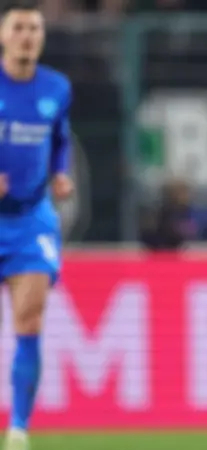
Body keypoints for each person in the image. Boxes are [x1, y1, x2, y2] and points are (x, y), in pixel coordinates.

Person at [0, 1, 74, 449]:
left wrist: (60, 172)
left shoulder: (57, 87)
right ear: (2, 36)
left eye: (34, 28)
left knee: (29, 319)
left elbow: (61, 138)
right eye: (19, 27)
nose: (27, 36)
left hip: (31, 219)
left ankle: (18, 430)